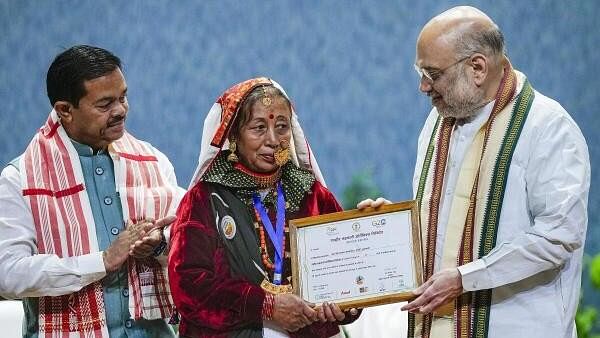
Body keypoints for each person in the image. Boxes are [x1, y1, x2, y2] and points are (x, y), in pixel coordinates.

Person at [359, 6, 590, 338]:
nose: (424, 87)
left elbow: (558, 237)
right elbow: (443, 226)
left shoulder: (548, 128)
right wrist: (391, 228)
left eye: (433, 74)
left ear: (477, 68)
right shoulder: (438, 123)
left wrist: (465, 279)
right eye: (420, 73)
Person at [0, 45, 185, 337]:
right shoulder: (19, 178)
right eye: (105, 104)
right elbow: (7, 274)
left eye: (123, 97)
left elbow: (195, 242)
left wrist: (160, 244)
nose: (121, 110)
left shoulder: (153, 162)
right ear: (65, 110)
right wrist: (100, 261)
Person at [168, 77, 360, 337]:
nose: (273, 139)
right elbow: (189, 285)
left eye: (282, 127)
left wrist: (345, 305)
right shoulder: (204, 199)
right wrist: (266, 306)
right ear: (234, 135)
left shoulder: (312, 195)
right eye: (259, 128)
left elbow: (351, 271)